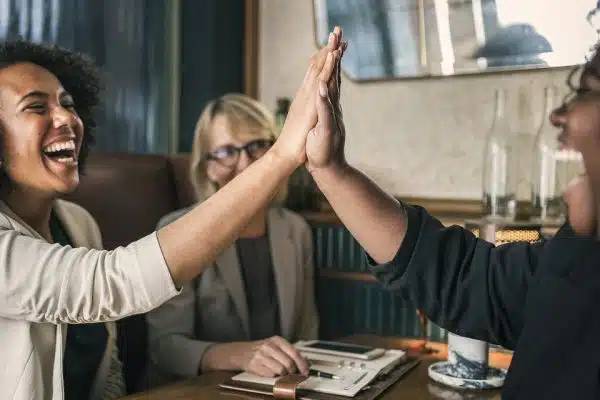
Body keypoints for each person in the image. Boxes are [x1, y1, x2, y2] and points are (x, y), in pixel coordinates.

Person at [0, 28, 344, 400]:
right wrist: (282, 155)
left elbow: (108, 366)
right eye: (36, 107)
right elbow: (111, 284)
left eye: (68, 103)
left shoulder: (78, 223)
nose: (67, 119)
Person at [305, 27, 600, 399]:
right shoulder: (579, 253)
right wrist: (330, 170)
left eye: (586, 93)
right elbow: (467, 281)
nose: (559, 116)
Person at [146, 93, 318, 383]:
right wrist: (240, 355)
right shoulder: (175, 230)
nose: (246, 164)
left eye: (257, 146)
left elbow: (307, 333)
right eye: (227, 151)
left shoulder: (295, 230)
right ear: (207, 167)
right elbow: (165, 347)